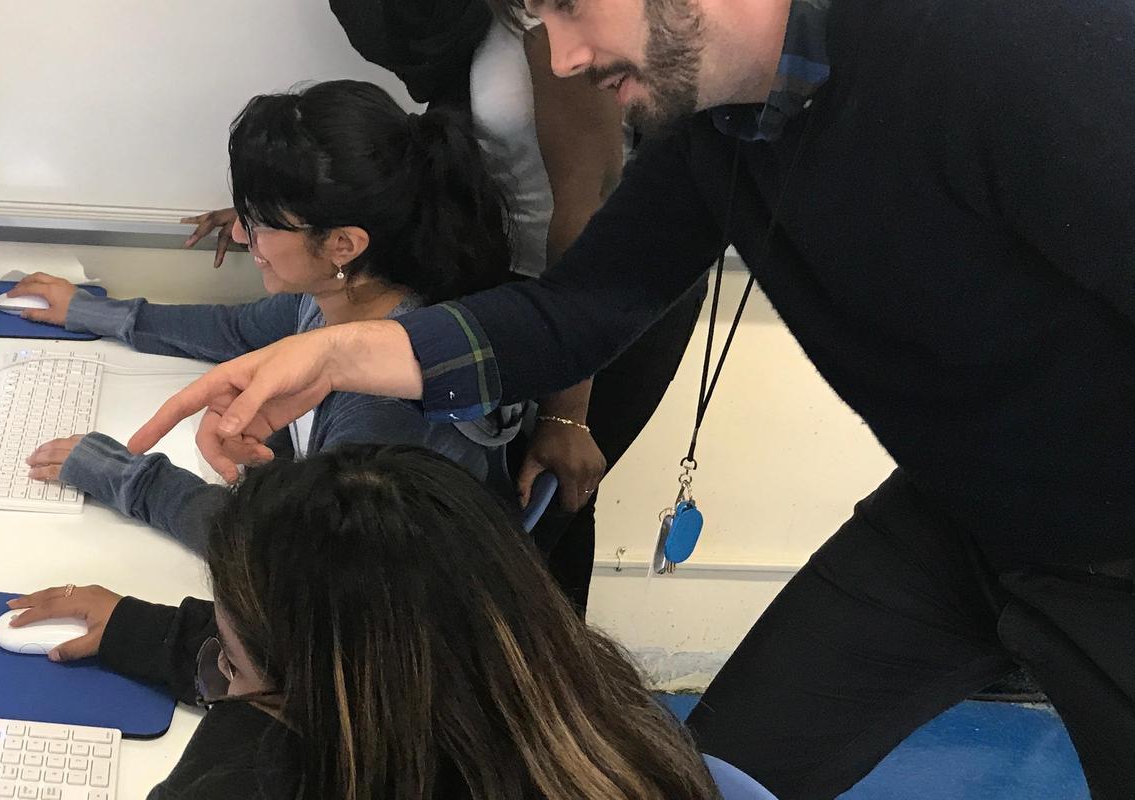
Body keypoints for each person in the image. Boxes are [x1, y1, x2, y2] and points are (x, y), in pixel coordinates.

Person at [123, 0, 1135, 793]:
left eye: (570, 5)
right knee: (684, 777)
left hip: (1109, 560)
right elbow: (582, 308)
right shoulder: (715, 126)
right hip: (955, 518)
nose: (561, 57)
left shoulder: (1015, 43)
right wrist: (349, 351)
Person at [182, 0, 706, 609]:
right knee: (488, 509)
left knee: (543, 516)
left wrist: (567, 414)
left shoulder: (556, 25)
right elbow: (444, 138)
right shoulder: (485, 21)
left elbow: (586, 210)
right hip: (500, 274)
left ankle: (542, 658)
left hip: (588, 303)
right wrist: (281, 215)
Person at [7, 445, 719, 799]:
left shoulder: (257, 779)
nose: (226, 679)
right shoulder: (580, 698)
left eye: (229, 664)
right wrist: (139, 629)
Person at [5, 80, 526, 553]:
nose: (238, 235)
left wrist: (126, 477)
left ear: (343, 245)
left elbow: (279, 554)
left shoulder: (379, 414)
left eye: (260, 223)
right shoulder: (340, 297)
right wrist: (92, 311)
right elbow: (234, 330)